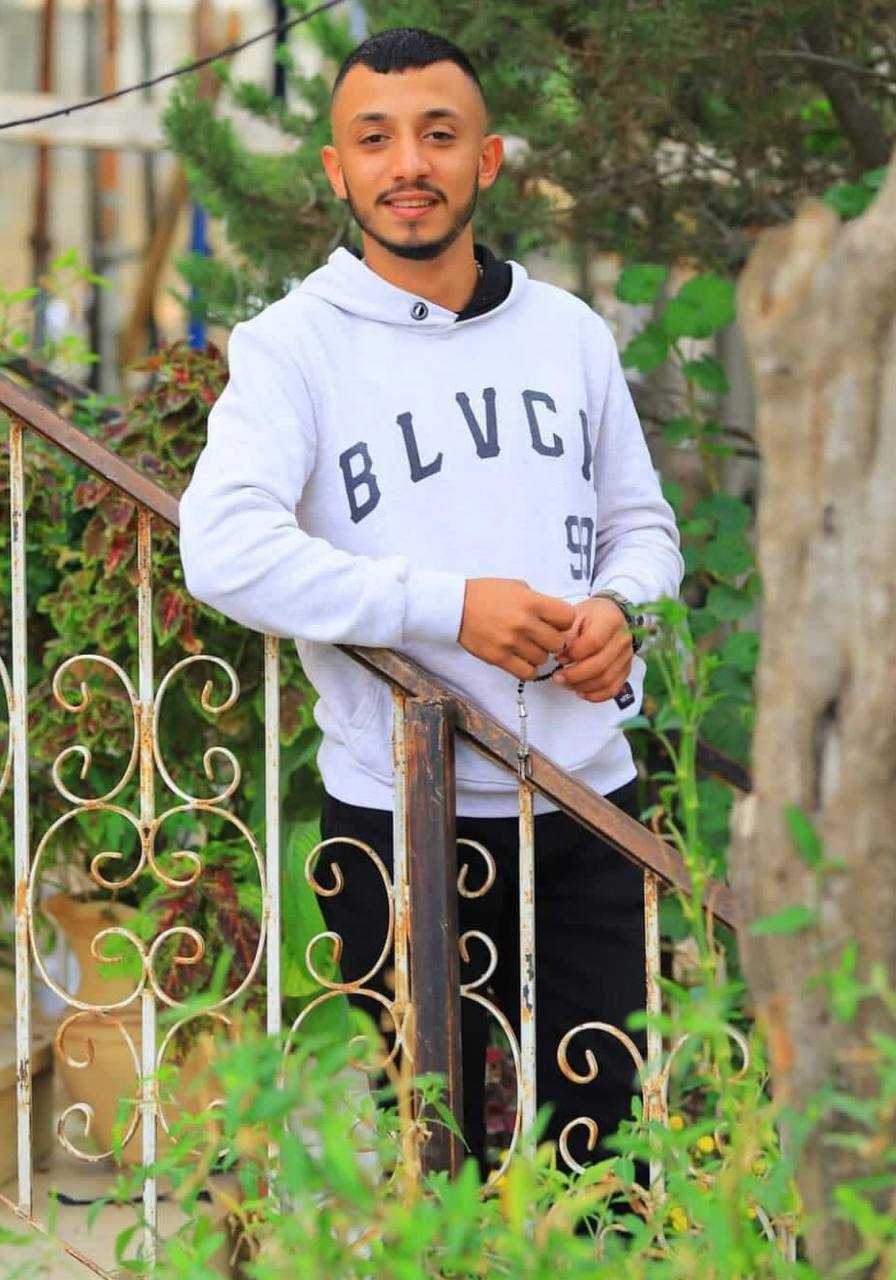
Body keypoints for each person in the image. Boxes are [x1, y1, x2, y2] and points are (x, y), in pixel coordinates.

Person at [179, 27, 683, 1175]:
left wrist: (621, 608)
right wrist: (446, 607)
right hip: (402, 817)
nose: (408, 163)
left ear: (485, 159)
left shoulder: (567, 332)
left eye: (438, 134)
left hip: (586, 803)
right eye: (375, 139)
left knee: (611, 1155)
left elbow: (641, 526)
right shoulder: (291, 347)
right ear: (337, 169)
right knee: (440, 1157)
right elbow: (223, 550)